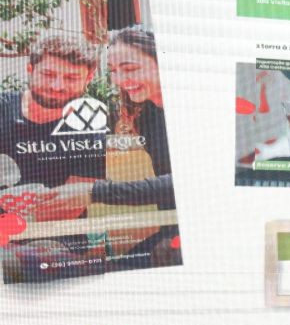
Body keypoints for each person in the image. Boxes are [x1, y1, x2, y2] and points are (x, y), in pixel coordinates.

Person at [37, 26, 176, 220]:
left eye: (130, 69)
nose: (120, 80)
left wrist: (95, 192)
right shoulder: (146, 113)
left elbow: (187, 183)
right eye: (113, 70)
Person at [0, 34, 103, 218]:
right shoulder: (3, 109)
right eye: (48, 75)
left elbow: (67, 208)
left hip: (57, 232)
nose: (57, 86)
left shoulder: (92, 127)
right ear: (30, 69)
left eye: (71, 78)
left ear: (88, 78)